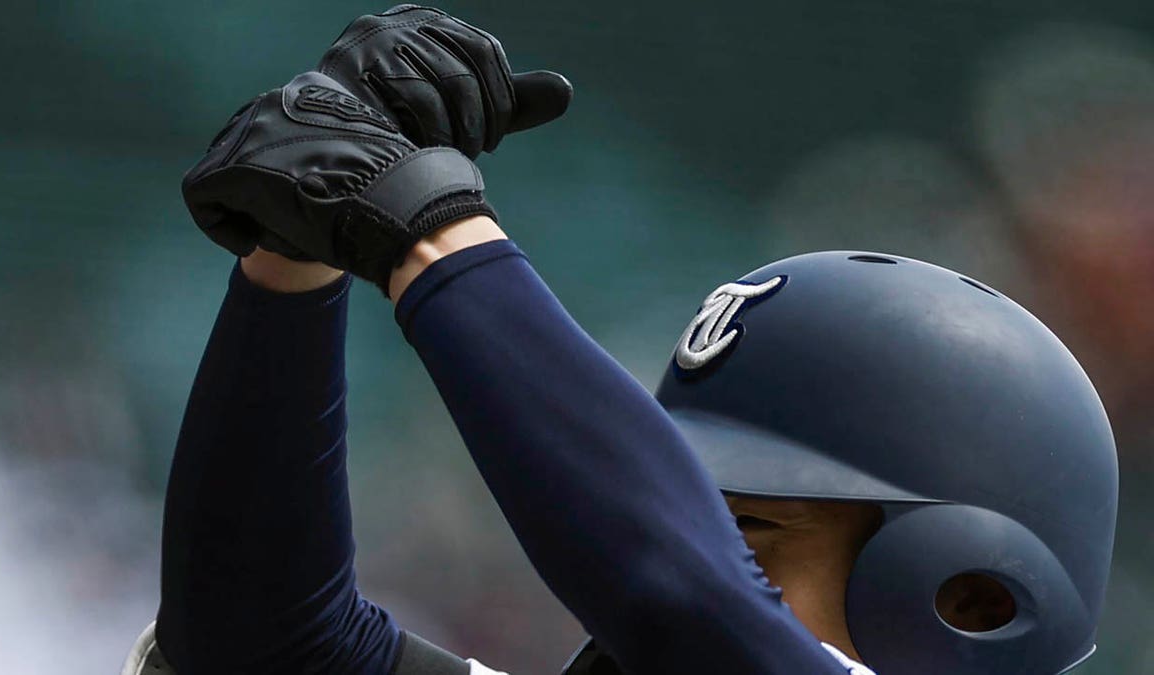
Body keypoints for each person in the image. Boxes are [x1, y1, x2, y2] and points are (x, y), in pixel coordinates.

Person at [123, 6, 1118, 674]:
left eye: (748, 532)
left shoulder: (689, 619)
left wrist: (425, 227)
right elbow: (253, 650)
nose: (683, 532)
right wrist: (297, 258)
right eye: (681, 495)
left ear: (976, 598)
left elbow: (674, 596)